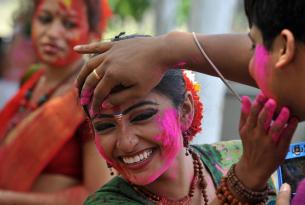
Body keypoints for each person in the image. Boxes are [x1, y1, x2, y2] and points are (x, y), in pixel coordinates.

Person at [74, 0, 305, 203]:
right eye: (105, 126)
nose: (125, 143)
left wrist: (169, 48)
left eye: (142, 115)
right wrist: (245, 179)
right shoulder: (255, 160)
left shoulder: (248, 155)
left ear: (185, 110)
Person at [0, 0, 112, 204]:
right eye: (45, 19)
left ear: (94, 36)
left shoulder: (93, 96)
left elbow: (98, 195)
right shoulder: (32, 80)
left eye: (69, 24)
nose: (52, 32)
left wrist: (7, 199)